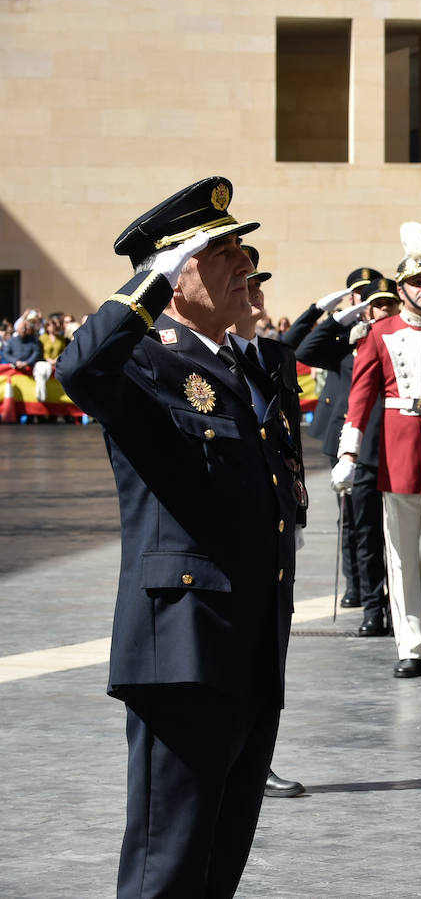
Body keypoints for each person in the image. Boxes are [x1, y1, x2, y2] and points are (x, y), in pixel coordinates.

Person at [56, 177, 298, 898]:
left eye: (240, 245)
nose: (242, 260)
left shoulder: (244, 367)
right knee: (167, 871)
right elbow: (79, 369)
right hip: (184, 650)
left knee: (219, 866)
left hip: (252, 649)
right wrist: (149, 284)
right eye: (219, 249)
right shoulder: (145, 359)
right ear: (176, 268)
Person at [332, 223, 421, 679]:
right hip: (398, 449)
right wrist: (348, 453)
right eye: (417, 282)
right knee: (401, 554)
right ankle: (410, 645)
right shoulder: (379, 332)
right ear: (402, 289)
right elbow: (361, 398)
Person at [233, 245, 309, 801]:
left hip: (277, 517)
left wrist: (298, 505)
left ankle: (261, 757)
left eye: (260, 286)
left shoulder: (277, 354)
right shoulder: (203, 356)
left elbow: (288, 436)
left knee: (271, 647)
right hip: (236, 518)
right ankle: (232, 757)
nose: (256, 295)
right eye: (247, 285)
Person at [296, 274, 399, 637]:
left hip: (397, 445)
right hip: (359, 446)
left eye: (390, 303)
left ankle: (399, 604)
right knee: (359, 527)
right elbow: (304, 351)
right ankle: (370, 600)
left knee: (399, 534)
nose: (384, 310)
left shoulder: (404, 338)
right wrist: (340, 322)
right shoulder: (353, 340)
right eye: (376, 305)